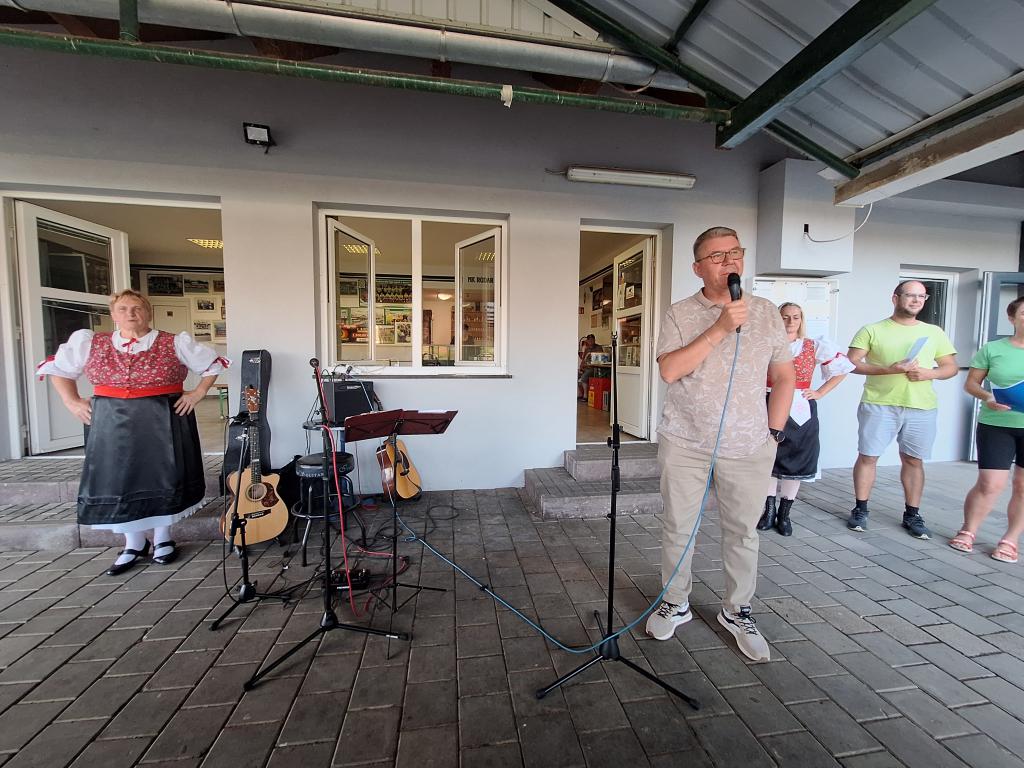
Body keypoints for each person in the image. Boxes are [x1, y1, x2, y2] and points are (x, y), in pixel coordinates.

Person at [645, 226, 794, 662]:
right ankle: (675, 601)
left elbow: (784, 376)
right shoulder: (679, 313)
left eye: (735, 252)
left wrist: (774, 433)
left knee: (743, 532)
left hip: (749, 445)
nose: (729, 261)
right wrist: (720, 327)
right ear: (698, 268)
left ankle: (737, 610)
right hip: (686, 441)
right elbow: (670, 370)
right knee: (679, 527)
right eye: (717, 256)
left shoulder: (766, 312)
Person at [37, 289, 230, 576]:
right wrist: (72, 401)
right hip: (111, 422)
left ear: (148, 312)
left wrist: (197, 393)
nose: (130, 313)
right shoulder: (91, 342)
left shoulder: (173, 342)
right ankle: (133, 543)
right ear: (113, 315)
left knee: (164, 476)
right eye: (123, 309)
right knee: (119, 480)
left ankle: (163, 539)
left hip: (162, 419)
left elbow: (212, 364)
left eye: (137, 308)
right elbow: (59, 370)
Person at [846, 280, 957, 538]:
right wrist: (888, 369)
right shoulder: (872, 329)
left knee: (913, 460)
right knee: (868, 457)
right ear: (895, 298)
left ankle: (912, 514)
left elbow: (950, 367)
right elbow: (851, 363)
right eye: (911, 295)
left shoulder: (934, 332)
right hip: (879, 404)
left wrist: (930, 373)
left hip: (921, 406)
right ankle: (860, 509)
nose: (917, 300)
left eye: (922, 296)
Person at [758, 303, 853, 536]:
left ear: (801, 320)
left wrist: (820, 392)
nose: (790, 322)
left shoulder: (812, 346)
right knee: (770, 456)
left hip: (800, 408)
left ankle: (784, 514)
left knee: (797, 457)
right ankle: (768, 511)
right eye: (785, 317)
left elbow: (842, 369)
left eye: (795, 317)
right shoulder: (766, 343)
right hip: (768, 402)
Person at [950, 297, 1024, 564]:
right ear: (1012, 318)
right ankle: (968, 530)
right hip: (996, 425)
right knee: (990, 484)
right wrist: (988, 397)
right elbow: (971, 384)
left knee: (1023, 486)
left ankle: (1010, 540)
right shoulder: (993, 349)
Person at [577, 333, 597, 401]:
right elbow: (583, 359)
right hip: (585, 367)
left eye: (592, 340)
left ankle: (585, 396)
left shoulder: (598, 348)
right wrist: (581, 366)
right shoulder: (587, 349)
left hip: (593, 368)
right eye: (589, 340)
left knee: (584, 377)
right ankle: (579, 394)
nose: (591, 341)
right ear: (587, 341)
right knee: (575, 375)